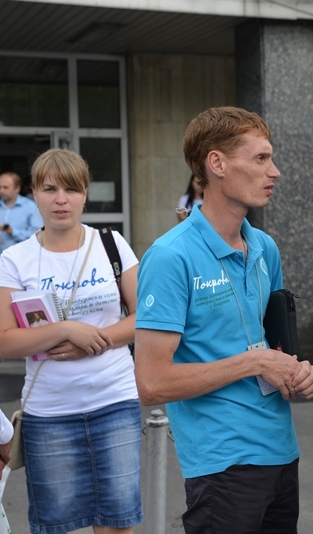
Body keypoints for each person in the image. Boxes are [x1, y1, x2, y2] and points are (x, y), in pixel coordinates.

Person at [135, 106, 313, 534]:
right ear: (216, 164)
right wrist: (254, 363)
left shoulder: (265, 247)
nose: (274, 171)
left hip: (281, 450)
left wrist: (297, 373)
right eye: (260, 158)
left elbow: (275, 348)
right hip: (222, 463)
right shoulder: (170, 256)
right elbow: (151, 383)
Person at [0, 148, 143, 534]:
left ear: (85, 194)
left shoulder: (111, 244)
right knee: (53, 526)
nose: (61, 200)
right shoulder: (14, 259)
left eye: (71, 189)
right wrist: (65, 330)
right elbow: (4, 342)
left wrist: (96, 341)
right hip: (49, 412)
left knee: (117, 524)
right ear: (34, 193)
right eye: (50, 189)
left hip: (115, 402)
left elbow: (147, 316)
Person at [0, 171, 43, 253]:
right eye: (0, 187)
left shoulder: (31, 207)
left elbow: (39, 234)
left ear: (17, 188)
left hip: (21, 257)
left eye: (5, 187)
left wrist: (13, 232)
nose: (1, 191)